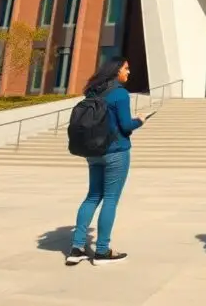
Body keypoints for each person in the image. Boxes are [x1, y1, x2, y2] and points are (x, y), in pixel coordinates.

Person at [66, 57, 147, 266]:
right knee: (110, 199)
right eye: (126, 69)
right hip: (116, 151)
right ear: (116, 71)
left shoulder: (93, 92)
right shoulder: (120, 93)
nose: (128, 72)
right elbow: (126, 126)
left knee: (92, 196)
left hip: (93, 152)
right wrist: (140, 120)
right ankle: (102, 251)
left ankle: (77, 248)